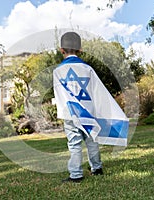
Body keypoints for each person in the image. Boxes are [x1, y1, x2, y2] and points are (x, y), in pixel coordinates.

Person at [53, 32, 103, 183]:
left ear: (61, 50)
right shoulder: (88, 69)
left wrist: (63, 112)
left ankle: (76, 174)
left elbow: (59, 94)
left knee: (74, 143)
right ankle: (97, 168)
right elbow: (96, 91)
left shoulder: (57, 71)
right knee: (92, 140)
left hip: (70, 113)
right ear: (80, 49)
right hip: (88, 111)